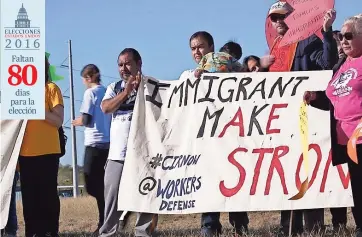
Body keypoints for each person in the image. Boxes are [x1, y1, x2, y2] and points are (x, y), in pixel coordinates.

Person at [260, 1, 338, 235]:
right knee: (286, 171)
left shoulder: (308, 41)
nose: (278, 21)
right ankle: (288, 227)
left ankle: (313, 226)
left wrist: (325, 32)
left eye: (283, 16)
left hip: (307, 117)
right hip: (282, 121)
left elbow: (328, 63)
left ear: (293, 18)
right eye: (274, 18)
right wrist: (258, 68)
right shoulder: (274, 46)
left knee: (307, 168)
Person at [182, 31, 249, 237]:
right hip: (206, 141)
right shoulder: (188, 75)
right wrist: (195, 79)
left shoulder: (231, 68)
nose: (197, 51)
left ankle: (240, 225)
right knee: (209, 182)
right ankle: (209, 225)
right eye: (193, 48)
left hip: (230, 137)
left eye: (200, 47)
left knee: (234, 178)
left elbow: (249, 81)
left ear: (211, 47)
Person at [304, 14, 362, 237]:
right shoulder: (342, 65)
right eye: (341, 36)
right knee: (357, 186)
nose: (344, 40)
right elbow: (334, 99)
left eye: (349, 35)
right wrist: (315, 97)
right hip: (345, 139)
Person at [98, 48, 158, 237]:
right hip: (118, 154)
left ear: (139, 63)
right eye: (120, 64)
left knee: (146, 194)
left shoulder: (151, 85)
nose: (123, 68)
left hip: (144, 153)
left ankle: (143, 232)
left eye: (127, 63)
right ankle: (108, 233)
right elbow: (106, 108)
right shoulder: (113, 88)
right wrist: (126, 92)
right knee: (112, 195)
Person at [18, 56, 64, 237]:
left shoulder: (51, 89)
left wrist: (36, 108)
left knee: (48, 197)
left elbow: (58, 121)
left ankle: (51, 232)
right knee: (29, 200)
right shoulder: (20, 93)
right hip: (25, 153)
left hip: (48, 152)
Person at [72, 64, 111, 235]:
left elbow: (87, 119)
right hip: (109, 143)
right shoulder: (108, 91)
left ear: (89, 78)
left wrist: (76, 121)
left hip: (94, 143)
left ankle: (105, 219)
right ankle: (105, 220)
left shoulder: (90, 93)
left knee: (92, 186)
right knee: (102, 184)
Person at [329, 30, 348, 232]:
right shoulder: (334, 68)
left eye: (344, 41)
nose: (341, 46)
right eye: (337, 44)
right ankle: (339, 223)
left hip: (353, 131)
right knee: (337, 176)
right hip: (335, 130)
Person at [1, 169, 19, 237]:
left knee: (9, 203)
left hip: (10, 170)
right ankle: (10, 232)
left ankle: (11, 232)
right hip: (11, 171)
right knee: (9, 203)